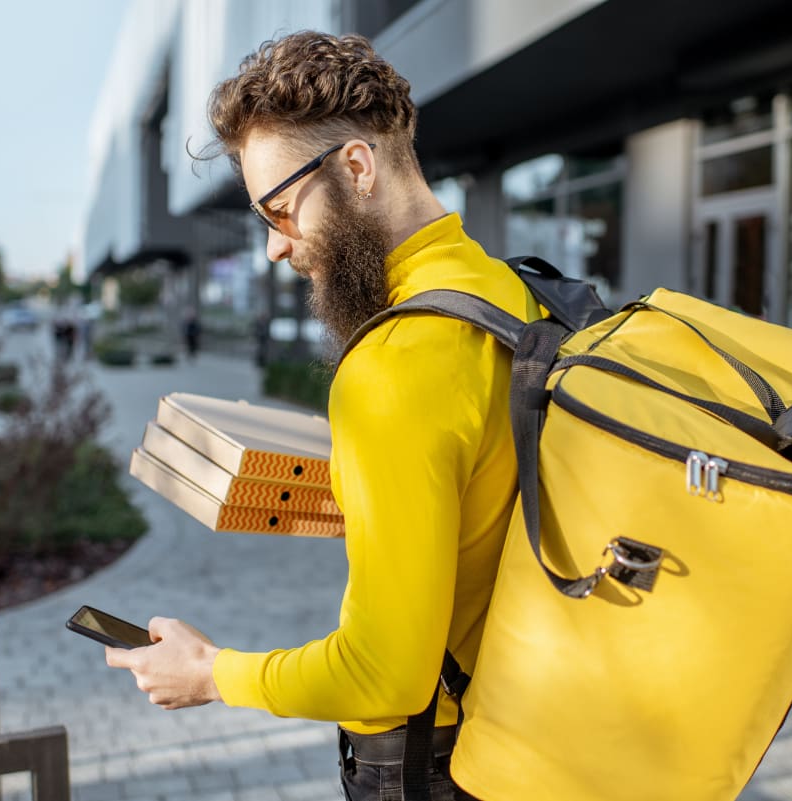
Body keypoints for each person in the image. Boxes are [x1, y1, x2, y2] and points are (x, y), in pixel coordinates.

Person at [104, 31, 536, 800]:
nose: (276, 247)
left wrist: (211, 674)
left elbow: (383, 674)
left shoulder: (393, 362)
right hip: (528, 729)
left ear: (357, 168)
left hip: (441, 758)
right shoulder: (514, 294)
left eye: (279, 210)